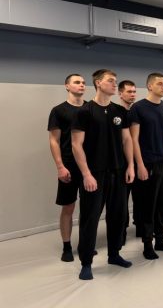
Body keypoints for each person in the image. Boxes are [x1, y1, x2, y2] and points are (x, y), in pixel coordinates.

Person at [71, 69, 135, 280]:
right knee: (90, 218)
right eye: (111, 81)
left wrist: (131, 166)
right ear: (98, 83)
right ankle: (86, 262)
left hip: (118, 171)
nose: (115, 84)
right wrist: (86, 174)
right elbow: (76, 145)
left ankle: (114, 254)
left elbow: (127, 140)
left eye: (116, 81)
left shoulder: (119, 111)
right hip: (94, 174)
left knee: (118, 215)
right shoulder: (84, 111)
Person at [129, 73, 163, 260]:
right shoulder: (138, 108)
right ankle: (147, 244)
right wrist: (140, 165)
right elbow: (134, 139)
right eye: (160, 84)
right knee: (148, 206)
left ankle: (160, 240)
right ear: (150, 86)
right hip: (149, 163)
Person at [47, 74, 86, 262]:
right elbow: (54, 140)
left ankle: (85, 244)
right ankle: (67, 246)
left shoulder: (90, 108)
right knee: (68, 207)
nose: (81, 85)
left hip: (90, 166)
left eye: (83, 82)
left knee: (89, 208)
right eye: (77, 82)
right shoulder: (59, 111)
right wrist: (60, 166)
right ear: (67, 86)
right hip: (69, 166)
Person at [117, 79, 139, 245]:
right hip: (121, 163)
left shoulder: (136, 112)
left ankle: (141, 228)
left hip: (138, 161)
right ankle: (121, 233)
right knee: (121, 201)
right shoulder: (116, 113)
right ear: (120, 93)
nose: (132, 94)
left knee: (140, 197)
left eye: (134, 92)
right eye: (129, 92)